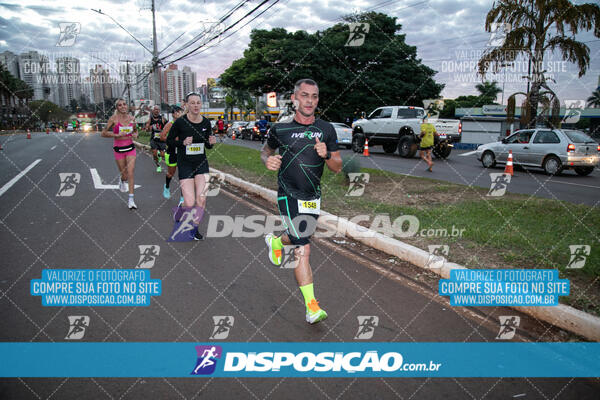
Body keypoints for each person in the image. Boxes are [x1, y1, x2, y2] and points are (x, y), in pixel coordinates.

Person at [261, 78, 342, 325]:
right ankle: (312, 307)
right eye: (304, 95)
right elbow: (266, 150)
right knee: (303, 248)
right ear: (295, 98)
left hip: (312, 196)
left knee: (299, 237)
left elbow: (337, 167)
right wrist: (268, 160)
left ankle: (276, 241)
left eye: (314, 96)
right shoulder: (281, 129)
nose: (309, 101)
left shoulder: (326, 129)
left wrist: (326, 154)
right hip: (288, 193)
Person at [167, 92, 216, 240]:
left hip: (201, 163)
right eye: (192, 103)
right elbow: (169, 141)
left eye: (198, 103)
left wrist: (211, 142)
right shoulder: (180, 122)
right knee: (189, 202)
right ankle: (180, 212)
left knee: (201, 199)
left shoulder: (206, 123)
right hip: (185, 164)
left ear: (201, 104)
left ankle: (194, 229)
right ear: (187, 105)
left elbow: (208, 145)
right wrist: (182, 143)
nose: (196, 105)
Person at [102, 98, 138, 209]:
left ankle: (131, 200)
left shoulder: (132, 118)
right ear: (117, 107)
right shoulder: (113, 119)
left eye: (124, 104)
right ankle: (122, 180)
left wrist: (135, 134)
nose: (123, 106)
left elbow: (136, 130)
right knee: (125, 175)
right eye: (119, 105)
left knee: (131, 172)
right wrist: (116, 135)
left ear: (127, 106)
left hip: (130, 148)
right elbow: (103, 133)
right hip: (119, 149)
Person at [160, 105, 185, 200]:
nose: (180, 113)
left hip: (183, 151)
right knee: (171, 173)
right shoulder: (169, 125)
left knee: (183, 174)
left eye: (181, 112)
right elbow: (162, 137)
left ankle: (183, 196)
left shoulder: (185, 123)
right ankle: (166, 186)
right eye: (178, 112)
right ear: (174, 114)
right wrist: (173, 140)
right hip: (172, 151)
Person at [145, 105, 168, 172]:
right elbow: (147, 129)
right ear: (153, 110)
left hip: (161, 139)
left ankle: (159, 155)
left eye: (158, 109)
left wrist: (164, 132)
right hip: (154, 139)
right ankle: (158, 166)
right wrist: (149, 128)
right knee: (154, 154)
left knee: (162, 154)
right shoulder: (150, 119)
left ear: (159, 111)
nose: (156, 111)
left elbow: (168, 126)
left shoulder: (163, 119)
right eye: (155, 109)